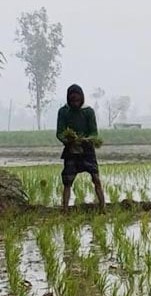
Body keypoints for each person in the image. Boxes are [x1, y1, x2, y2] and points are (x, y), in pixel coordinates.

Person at [56, 84, 105, 213]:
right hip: (71, 149)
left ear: (82, 98)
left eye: (77, 101)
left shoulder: (88, 111)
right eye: (72, 101)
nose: (75, 103)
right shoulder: (63, 111)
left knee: (96, 178)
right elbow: (60, 132)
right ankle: (65, 209)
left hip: (87, 149)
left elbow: (94, 133)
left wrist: (86, 139)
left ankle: (103, 208)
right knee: (67, 181)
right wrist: (69, 140)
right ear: (68, 100)